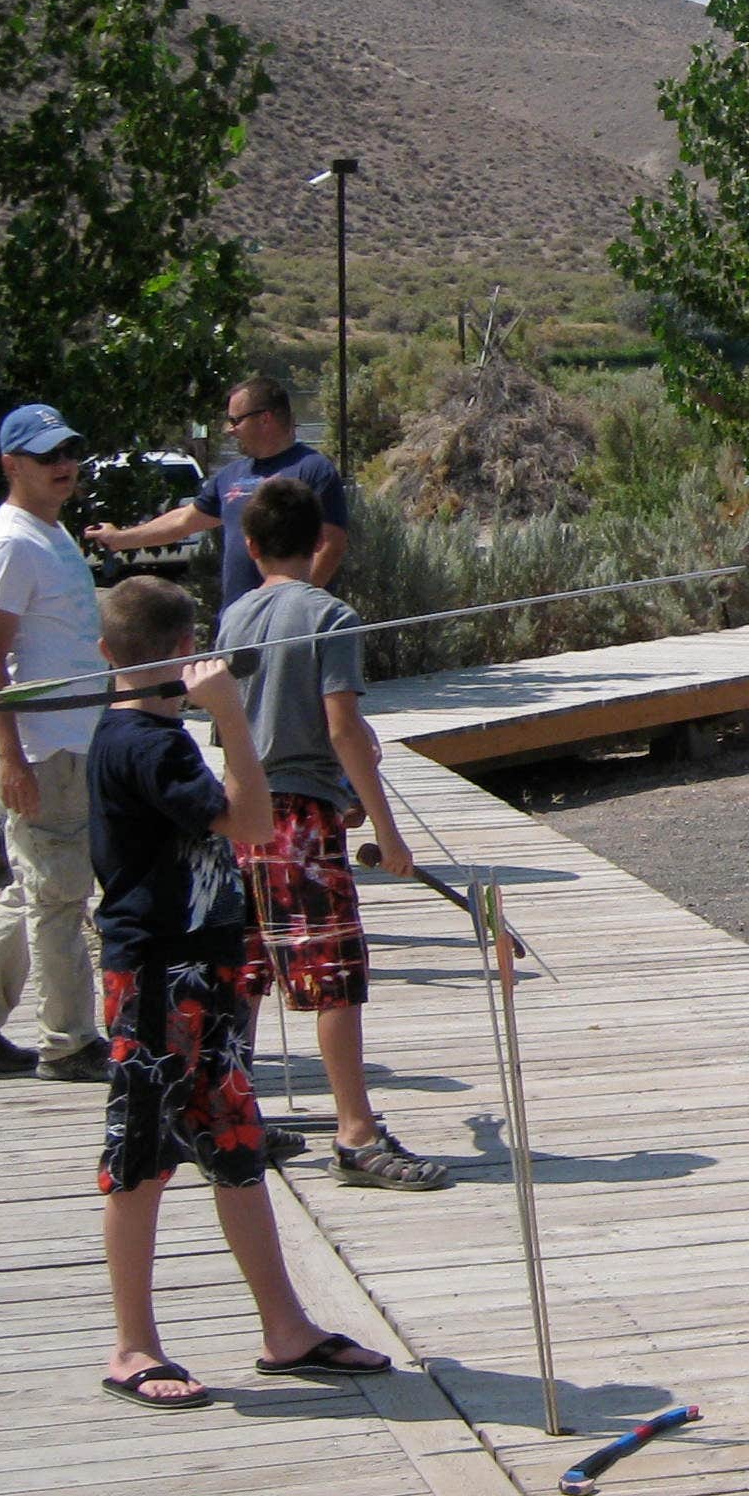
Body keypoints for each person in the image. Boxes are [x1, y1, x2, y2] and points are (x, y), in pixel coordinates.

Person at [83, 574, 393, 1411]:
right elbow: (253, 824)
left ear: (106, 652)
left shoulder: (149, 736)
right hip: (157, 976)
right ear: (187, 655)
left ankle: (285, 1329)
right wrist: (230, 716)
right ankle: (132, 1345)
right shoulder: (145, 746)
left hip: (205, 971)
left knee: (235, 1149)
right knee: (139, 1158)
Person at [217, 474, 448, 1191]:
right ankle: (354, 1134)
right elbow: (342, 728)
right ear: (320, 542)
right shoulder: (330, 615)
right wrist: (388, 829)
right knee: (333, 977)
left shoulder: (232, 620)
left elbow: (240, 719)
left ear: (251, 547)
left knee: (250, 973)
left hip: (240, 814)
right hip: (301, 822)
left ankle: (234, 1117)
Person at [0, 403, 108, 1081]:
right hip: (43, 746)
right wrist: (9, 754)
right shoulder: (10, 541)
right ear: (12, 466)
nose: (63, 466)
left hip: (74, 737)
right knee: (62, 896)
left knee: (38, 888)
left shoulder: (50, 531)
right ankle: (68, 1041)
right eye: (46, 457)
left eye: (68, 451)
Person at [90, 373, 351, 608]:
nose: (229, 430)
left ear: (265, 419)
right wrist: (121, 539)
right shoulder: (229, 475)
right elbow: (183, 521)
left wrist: (292, 608)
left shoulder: (313, 470)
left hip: (291, 627)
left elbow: (331, 544)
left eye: (235, 421)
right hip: (238, 623)